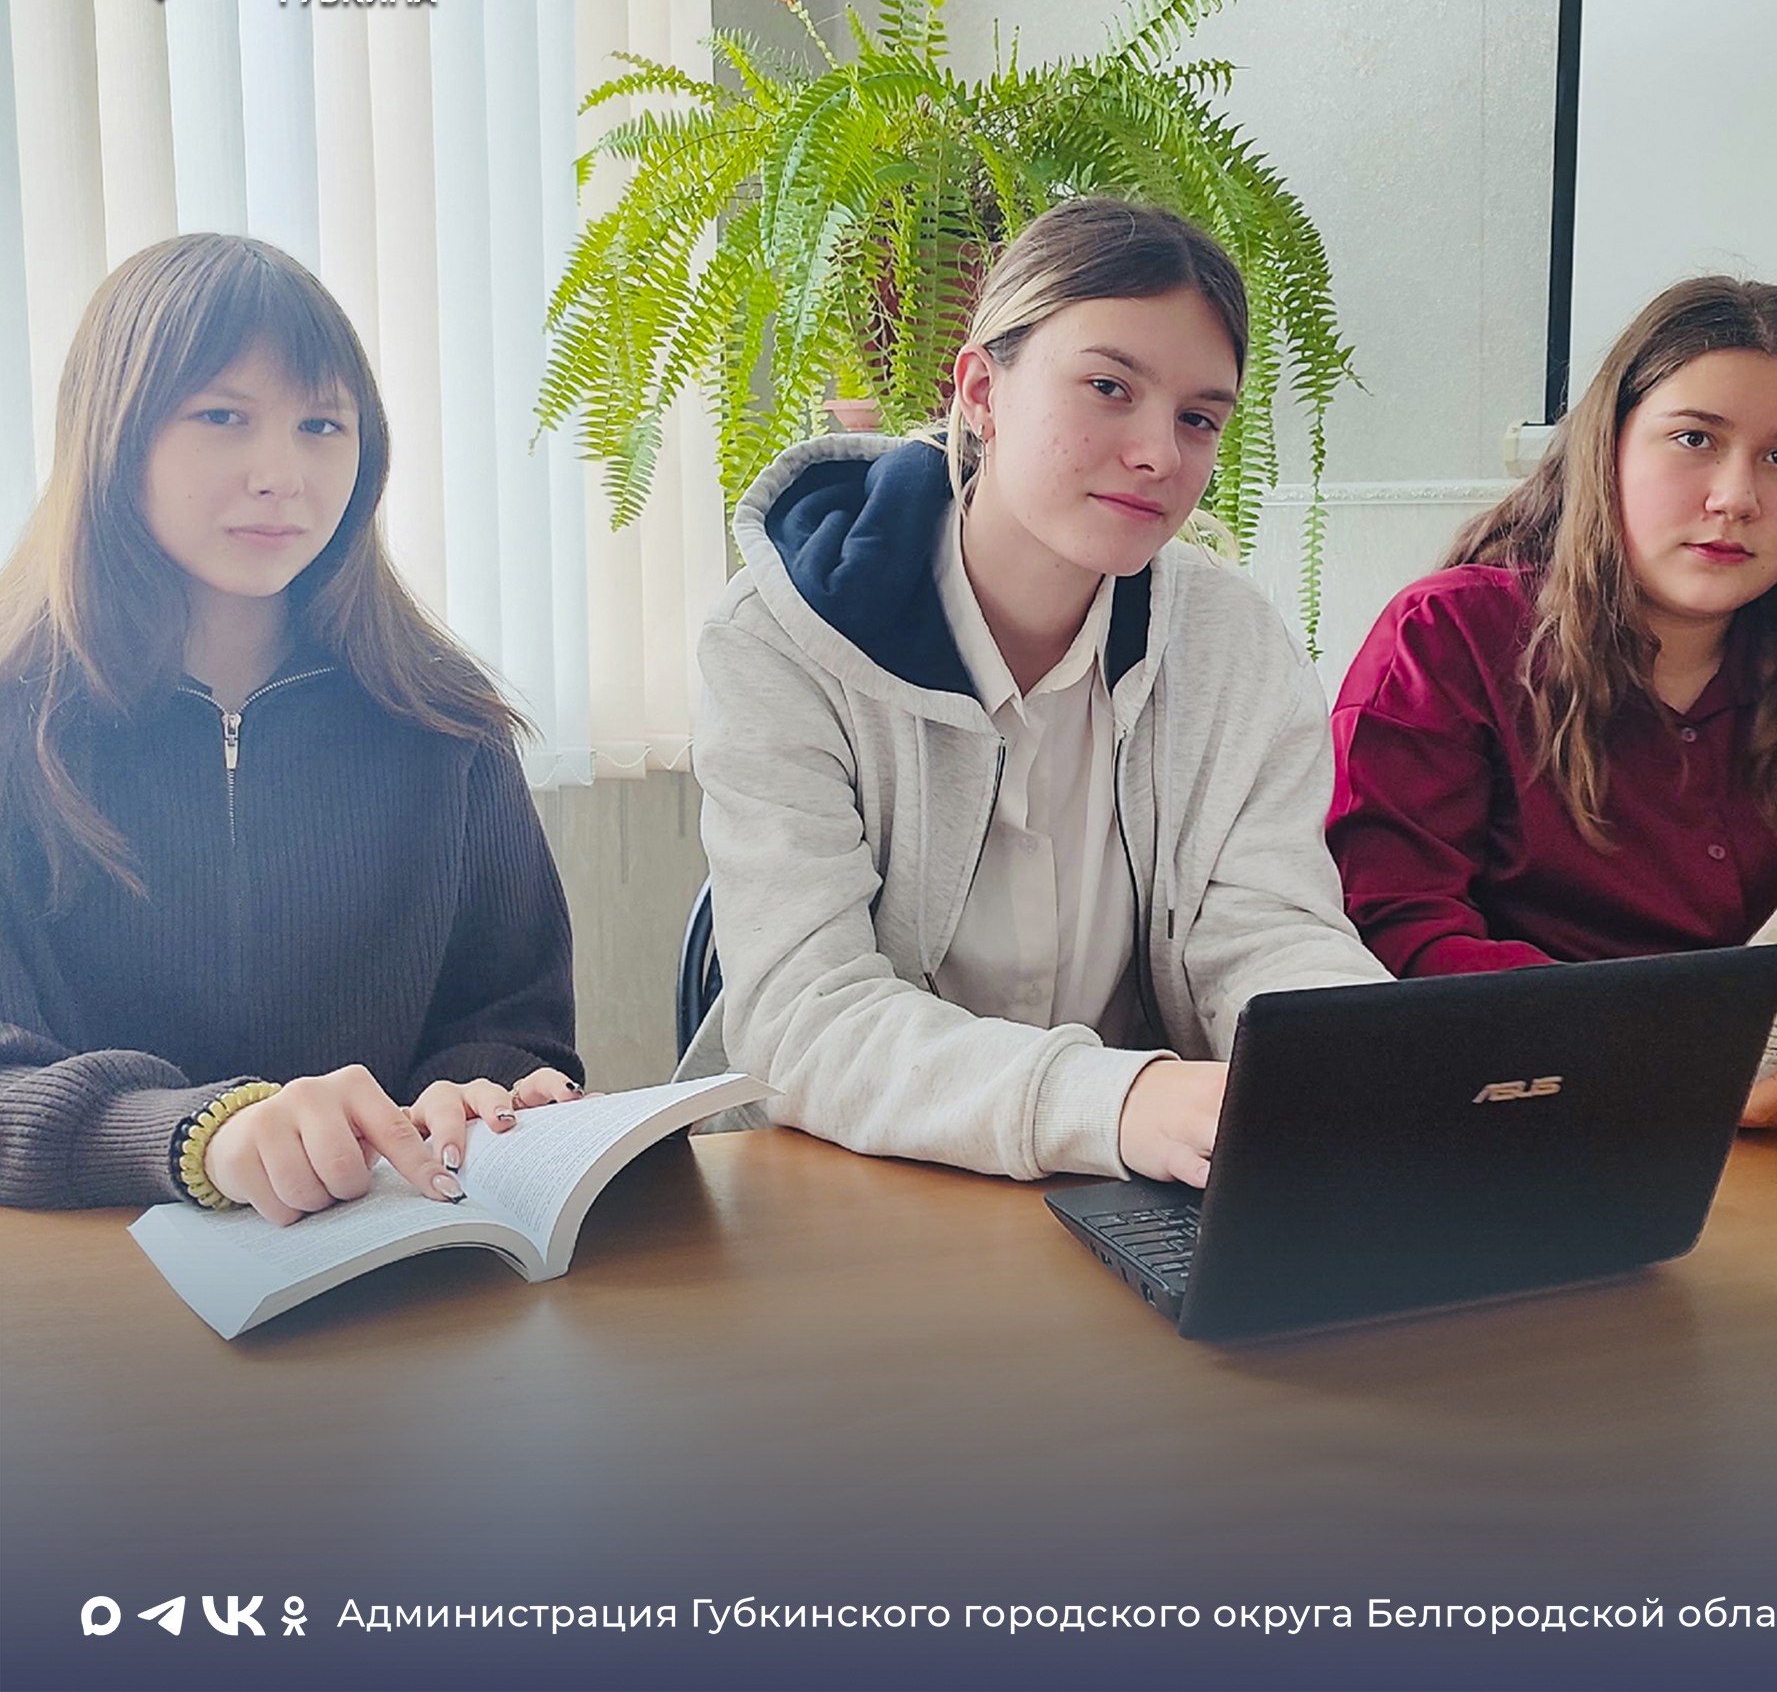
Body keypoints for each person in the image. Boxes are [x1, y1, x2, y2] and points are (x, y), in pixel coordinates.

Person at [679, 198, 1387, 1186]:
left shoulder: (1234, 645)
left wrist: (1362, 1064)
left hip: (1119, 1192)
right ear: (981, 390)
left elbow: (1266, 934)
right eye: (1108, 387)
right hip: (834, 1190)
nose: (1158, 453)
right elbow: (804, 1017)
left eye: (1198, 418)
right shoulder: (780, 637)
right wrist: (1114, 1099)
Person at [0, 234, 581, 1222]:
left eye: (321, 424)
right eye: (222, 416)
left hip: (387, 1259)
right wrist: (205, 1135)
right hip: (83, 1274)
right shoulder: (24, 720)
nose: (281, 473)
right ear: (112, 434)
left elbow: (514, 1025)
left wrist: (477, 1093)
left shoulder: (446, 720)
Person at [1327, 276, 1777, 1127]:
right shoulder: (1448, 636)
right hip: (1542, 1118)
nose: (1735, 497)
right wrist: (1668, 1062)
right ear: (1608, 447)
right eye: (1694, 438)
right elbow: (1395, 928)